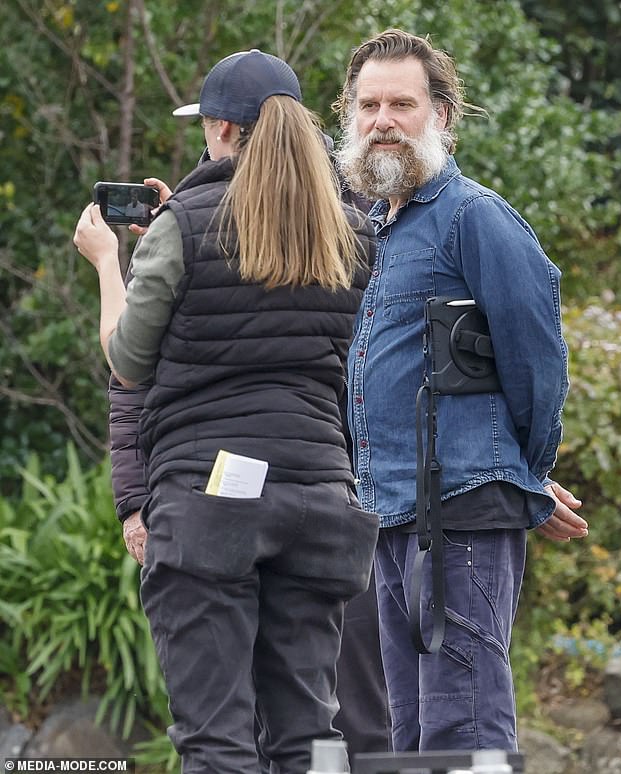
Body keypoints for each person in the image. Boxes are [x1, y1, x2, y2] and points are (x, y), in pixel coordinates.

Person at [74, 49, 380, 774]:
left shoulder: (187, 222)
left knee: (217, 740)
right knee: (309, 738)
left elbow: (127, 358)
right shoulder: (350, 230)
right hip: (318, 499)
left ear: (219, 127)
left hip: (214, 500)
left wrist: (111, 267)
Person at [332, 28, 589, 754]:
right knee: (409, 732)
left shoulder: (475, 217)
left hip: (462, 514)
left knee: (465, 725)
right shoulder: (378, 228)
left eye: (402, 104)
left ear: (441, 115)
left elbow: (538, 358)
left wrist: (520, 473)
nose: (383, 120)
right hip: (389, 514)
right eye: (369, 105)